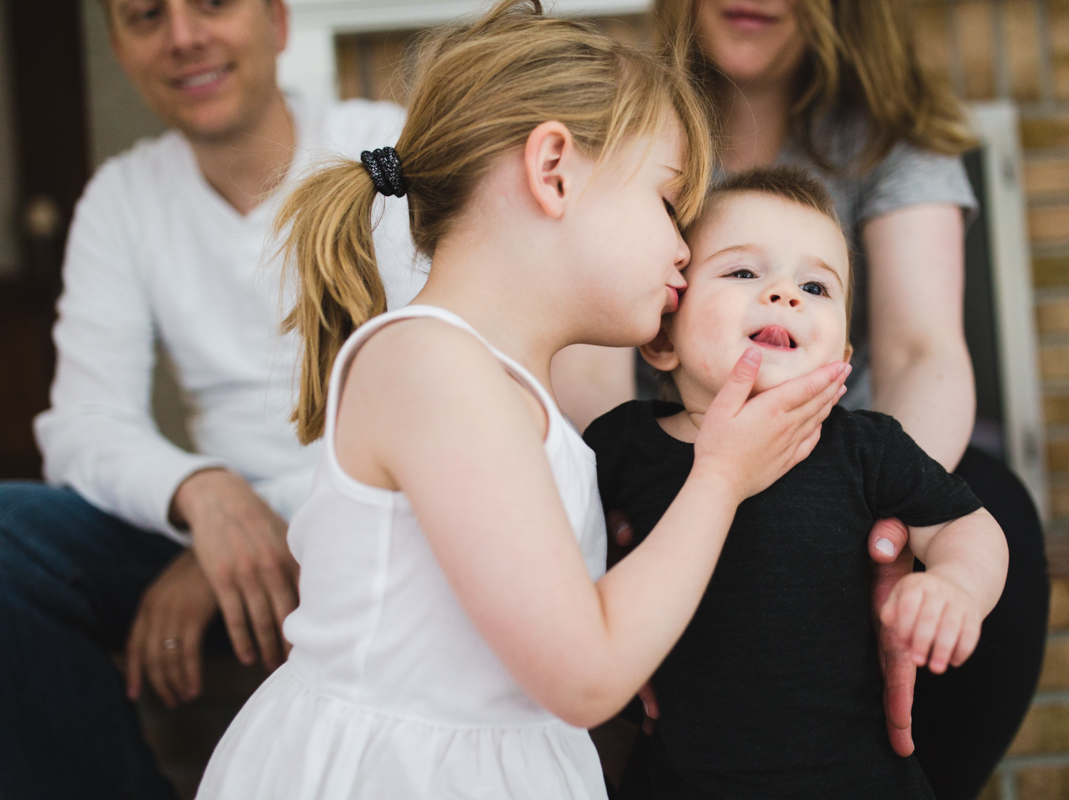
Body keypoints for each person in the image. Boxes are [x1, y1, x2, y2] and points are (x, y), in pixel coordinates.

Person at [195, 3, 851, 797]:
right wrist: (719, 476)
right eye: (669, 204)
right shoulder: (433, 368)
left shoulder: (497, 388)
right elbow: (585, 676)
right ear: (554, 171)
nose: (686, 248)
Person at [0, 1, 425, 797]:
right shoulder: (122, 197)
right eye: (146, 16)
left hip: (392, 521)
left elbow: (443, 401)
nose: (184, 35)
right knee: (9, 542)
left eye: (213, 4)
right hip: (214, 538)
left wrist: (258, 520)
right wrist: (201, 493)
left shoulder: (386, 147)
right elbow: (82, 423)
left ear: (278, 21)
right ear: (121, 51)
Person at [633, 3, 1051, 797]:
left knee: (994, 506)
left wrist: (868, 514)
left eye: (814, 284)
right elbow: (583, 365)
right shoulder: (633, 120)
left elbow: (921, 349)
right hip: (678, 453)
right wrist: (616, 520)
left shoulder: (888, 133)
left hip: (835, 455)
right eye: (744, 272)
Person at [586, 167, 1008, 798]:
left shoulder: (865, 447)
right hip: (682, 779)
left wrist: (958, 586)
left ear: (841, 359)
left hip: (858, 781)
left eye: (815, 285)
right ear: (662, 336)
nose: (785, 294)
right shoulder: (620, 446)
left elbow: (963, 524)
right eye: (743, 272)